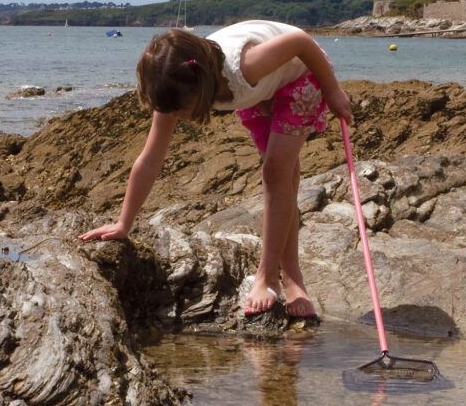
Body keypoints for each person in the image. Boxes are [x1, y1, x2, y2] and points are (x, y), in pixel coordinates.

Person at [79, 20, 353, 318]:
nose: (179, 117)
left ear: (203, 83)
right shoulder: (176, 87)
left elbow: (300, 40)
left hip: (302, 76)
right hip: (260, 91)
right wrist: (123, 223)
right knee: (283, 177)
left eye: (183, 109)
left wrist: (333, 89)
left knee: (276, 173)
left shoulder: (246, 65)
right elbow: (150, 159)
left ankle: (270, 277)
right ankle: (293, 279)